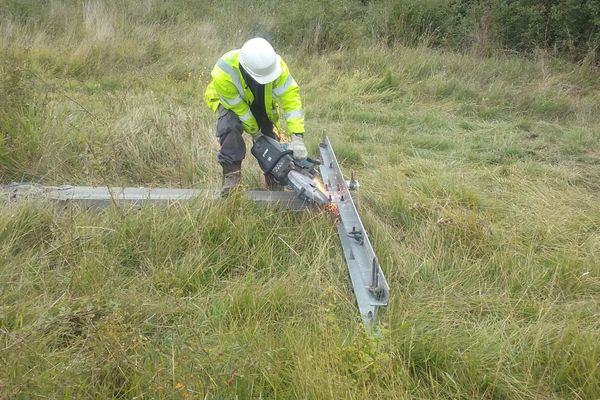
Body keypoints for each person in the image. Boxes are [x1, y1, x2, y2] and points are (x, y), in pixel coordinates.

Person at [204, 37, 307, 196]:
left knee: (268, 135)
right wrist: (255, 132)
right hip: (231, 102)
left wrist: (297, 136)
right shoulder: (224, 71)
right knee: (229, 125)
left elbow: (291, 100)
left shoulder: (276, 66)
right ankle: (232, 177)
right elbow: (241, 110)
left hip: (259, 100)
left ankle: (274, 179)